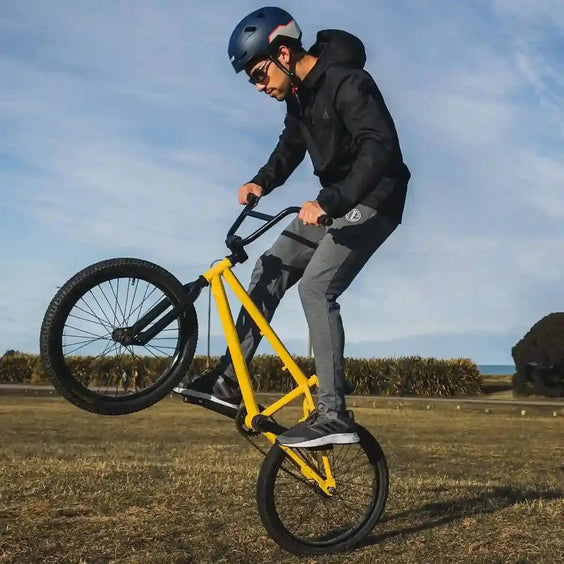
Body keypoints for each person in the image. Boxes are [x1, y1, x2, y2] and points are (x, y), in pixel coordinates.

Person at [173, 7, 410, 448]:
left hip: (376, 199)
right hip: (334, 202)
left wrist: (330, 202)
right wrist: (261, 181)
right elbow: (290, 147)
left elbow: (380, 149)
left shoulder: (348, 83)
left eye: (260, 75)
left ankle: (333, 413)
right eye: (252, 81)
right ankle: (228, 381)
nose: (259, 87)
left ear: (283, 52)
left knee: (316, 288)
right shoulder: (299, 99)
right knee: (270, 266)